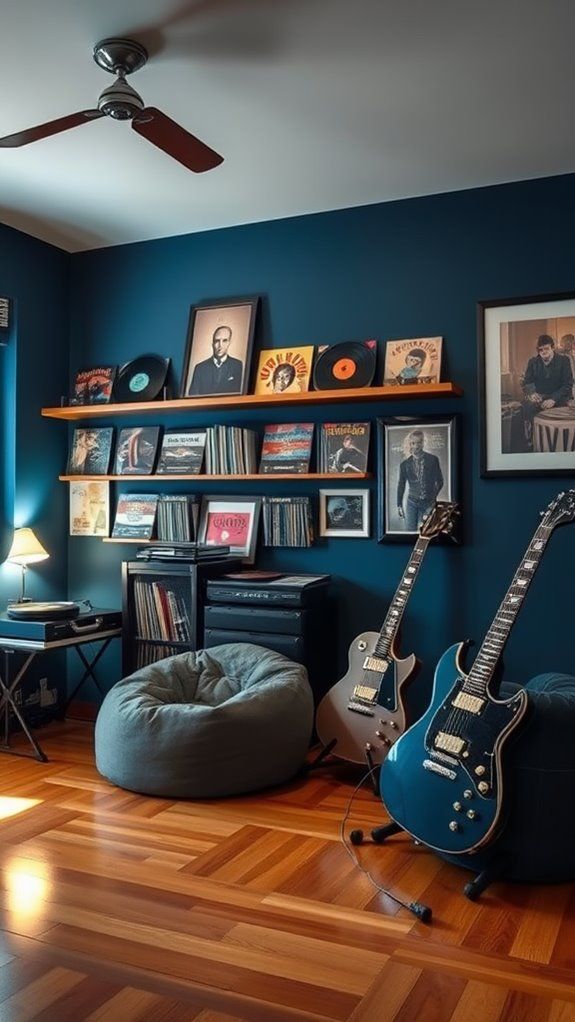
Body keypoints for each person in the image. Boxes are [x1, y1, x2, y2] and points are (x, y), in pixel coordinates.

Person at [521, 334, 574, 448]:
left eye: (546, 349)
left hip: (559, 397)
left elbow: (567, 384)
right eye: (540, 350)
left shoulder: (564, 361)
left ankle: (559, 445)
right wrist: (532, 393)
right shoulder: (533, 362)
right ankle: (533, 441)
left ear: (553, 348)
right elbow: (527, 382)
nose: (543, 352)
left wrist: (553, 399)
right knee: (527, 406)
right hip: (540, 397)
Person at [396, 429, 443, 531]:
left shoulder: (433, 460)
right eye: (413, 443)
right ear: (410, 444)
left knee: (427, 532)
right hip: (411, 503)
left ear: (423, 443)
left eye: (419, 443)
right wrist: (399, 504)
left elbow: (440, 481)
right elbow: (401, 485)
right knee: (410, 532)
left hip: (428, 503)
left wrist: (432, 498)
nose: (416, 446)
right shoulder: (405, 465)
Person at [188, 326, 243, 396]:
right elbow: (193, 397)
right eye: (217, 341)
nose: (220, 345)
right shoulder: (200, 368)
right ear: (212, 344)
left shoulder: (237, 365)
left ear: (229, 342)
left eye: (224, 341)